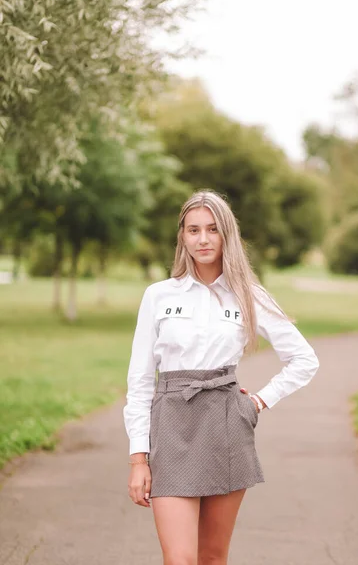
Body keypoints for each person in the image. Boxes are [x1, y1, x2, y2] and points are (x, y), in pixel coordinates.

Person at [123, 189, 319, 564]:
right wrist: (138, 459)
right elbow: (140, 381)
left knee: (212, 558)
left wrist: (258, 402)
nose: (203, 239)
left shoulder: (249, 296)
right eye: (193, 230)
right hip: (171, 427)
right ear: (182, 236)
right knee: (179, 559)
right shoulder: (159, 296)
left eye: (212, 229)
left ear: (226, 234)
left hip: (227, 426)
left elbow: (303, 359)